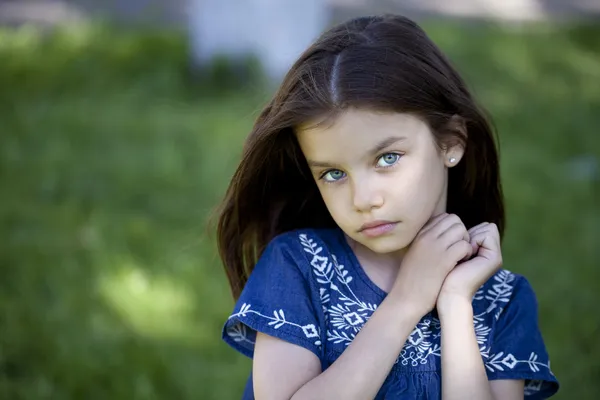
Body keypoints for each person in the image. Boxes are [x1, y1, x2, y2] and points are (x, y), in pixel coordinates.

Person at [216, 14, 560, 399]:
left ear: (451, 142)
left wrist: (455, 304)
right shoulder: (298, 266)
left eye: (388, 158)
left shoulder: (501, 300)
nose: (363, 200)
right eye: (333, 174)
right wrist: (406, 301)